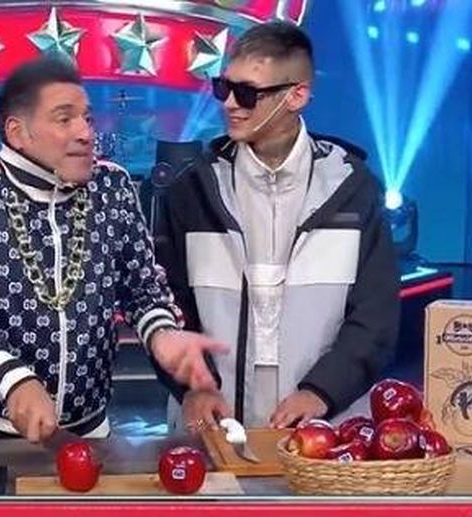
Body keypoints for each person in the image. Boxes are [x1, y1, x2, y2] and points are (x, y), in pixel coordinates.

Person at [0, 57, 227, 442]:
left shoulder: (112, 187)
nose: (85, 133)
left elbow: (143, 291)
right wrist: (12, 379)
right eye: (65, 119)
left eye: (87, 118)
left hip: (90, 429)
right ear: (17, 133)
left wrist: (163, 333)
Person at [154, 21, 400, 432]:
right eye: (223, 88)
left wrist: (322, 392)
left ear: (296, 96)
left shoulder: (353, 188)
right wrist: (194, 386)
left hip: (323, 429)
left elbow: (376, 316)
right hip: (211, 429)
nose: (230, 104)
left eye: (248, 93)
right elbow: (164, 307)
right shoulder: (191, 191)